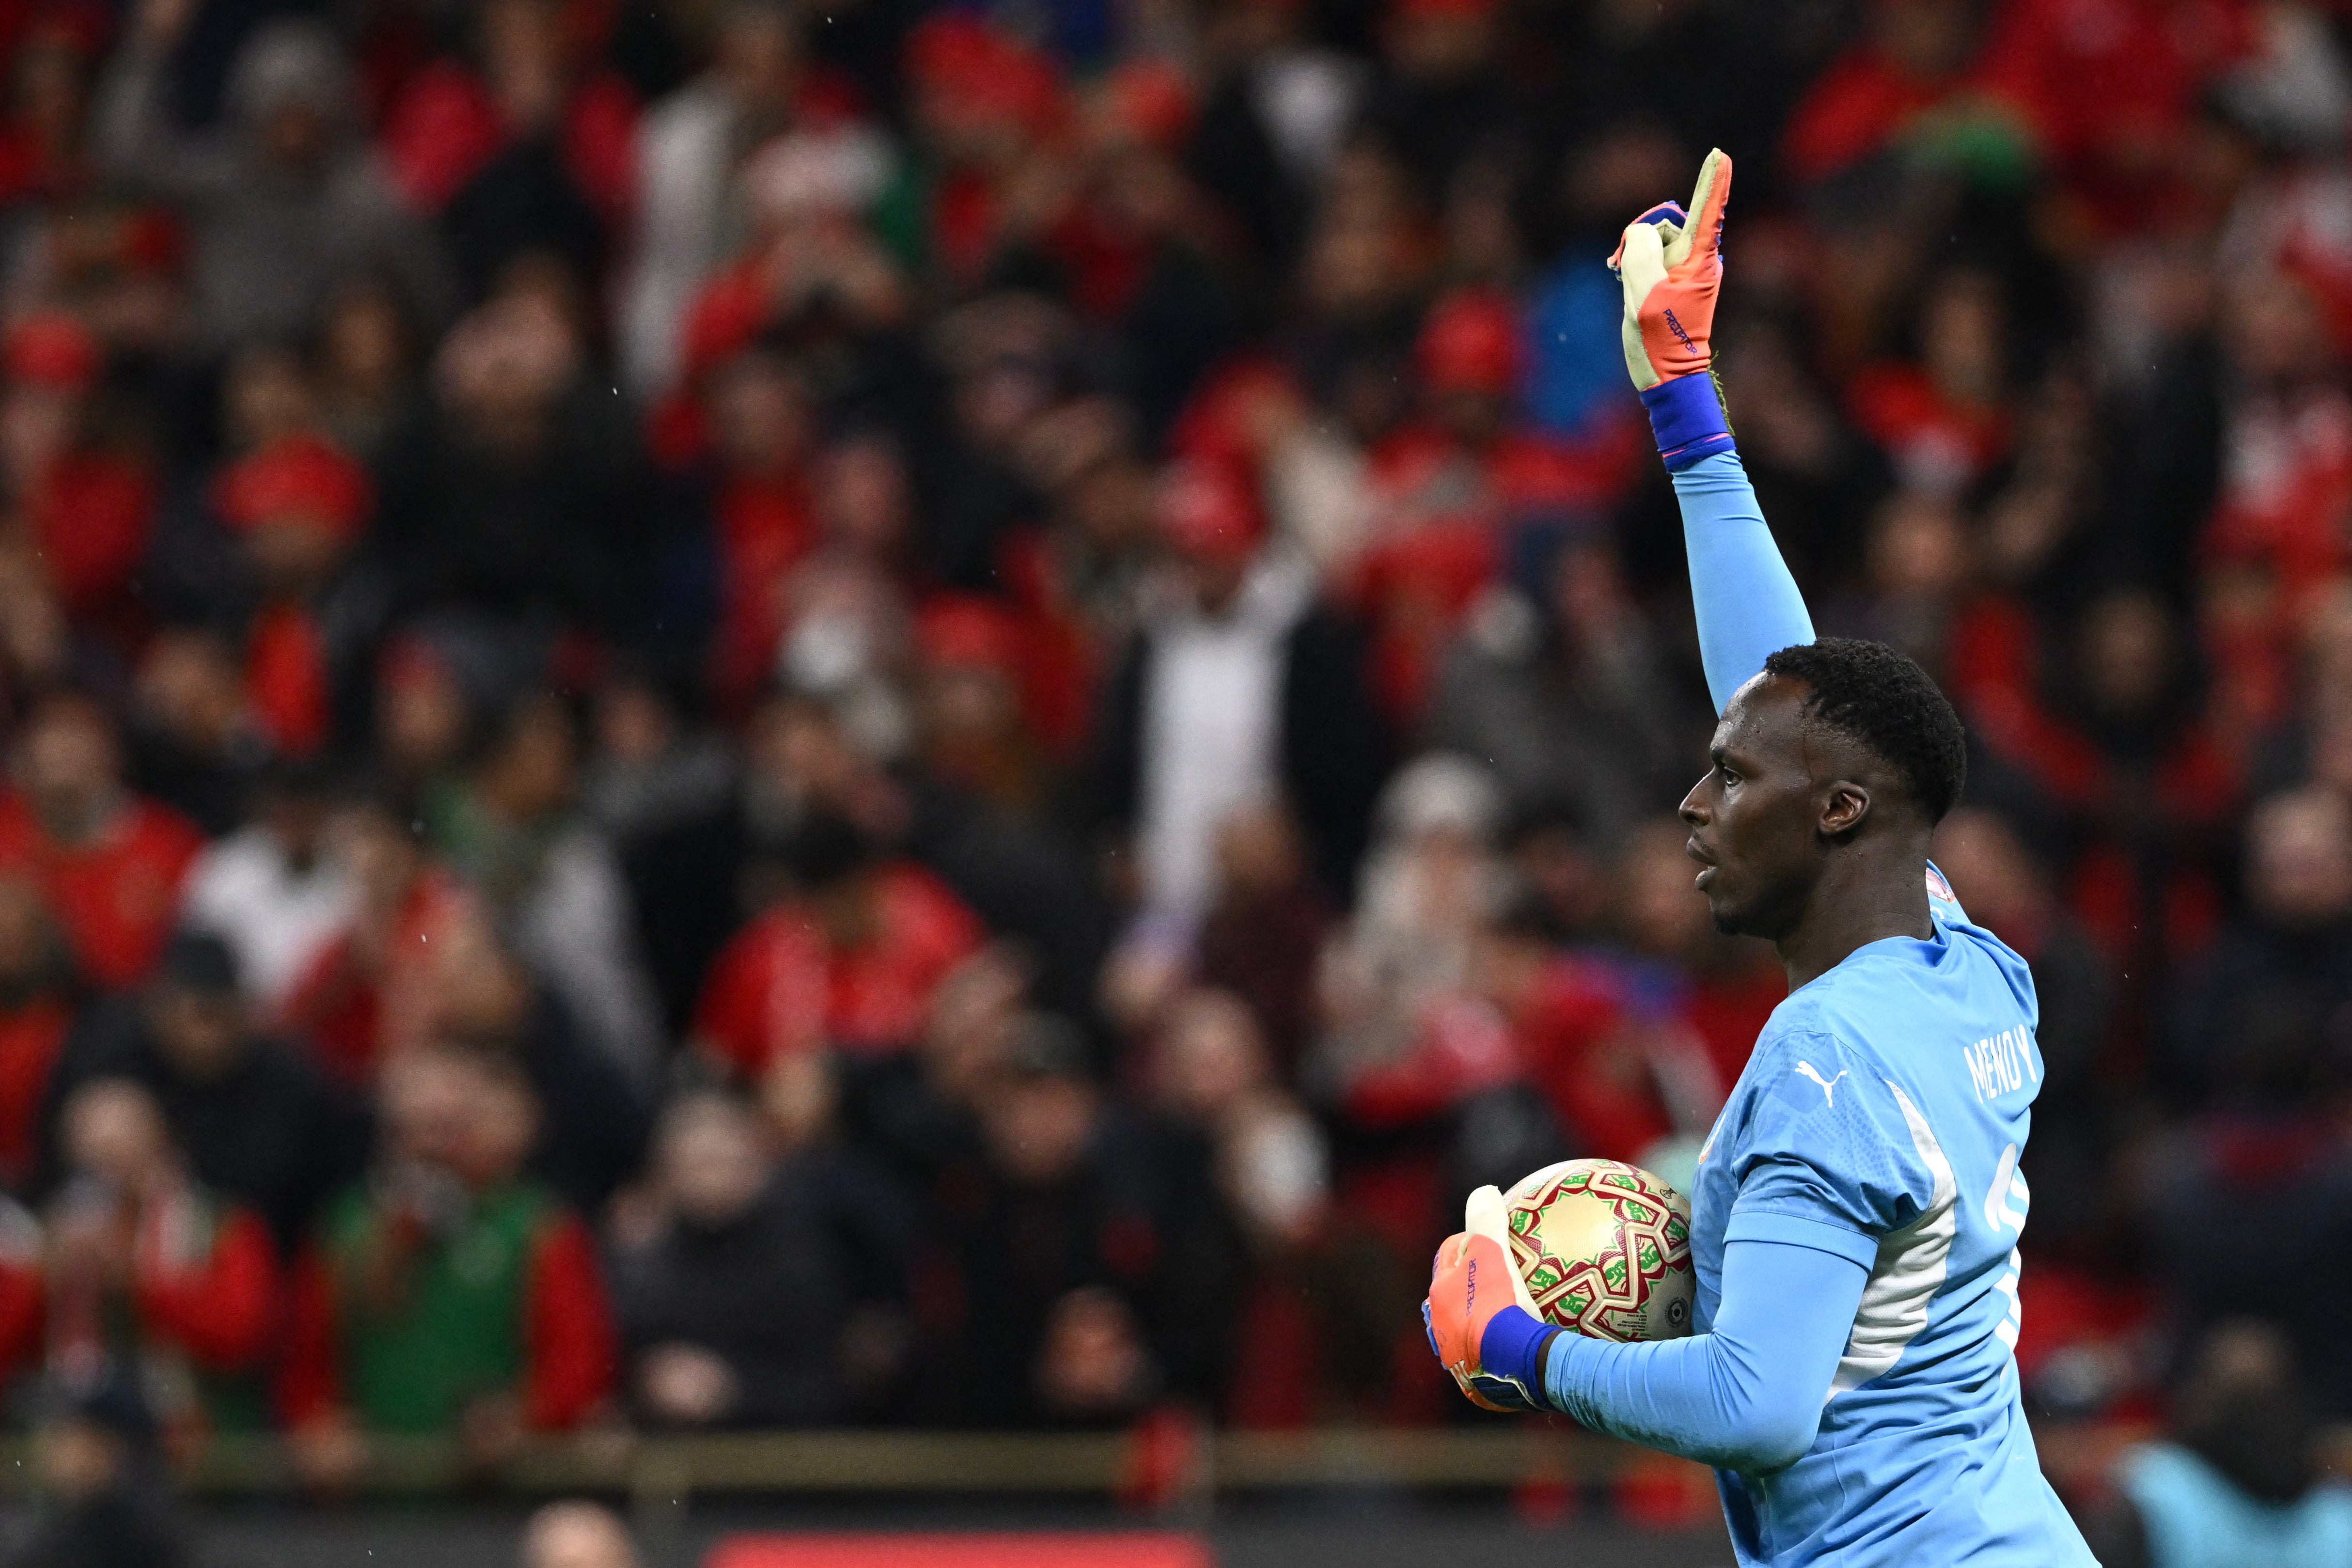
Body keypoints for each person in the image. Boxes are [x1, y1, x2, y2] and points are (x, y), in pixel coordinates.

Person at [1423, 151, 2096, 1566]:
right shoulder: (1963, 968)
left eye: (1729, 782)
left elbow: (1758, 1400)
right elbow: (1784, 686)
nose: (1691, 802)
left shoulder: (1823, 1065)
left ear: (1840, 814)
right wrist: (1685, 408)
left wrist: (1516, 1344)